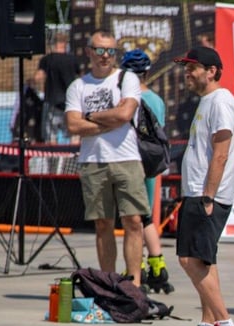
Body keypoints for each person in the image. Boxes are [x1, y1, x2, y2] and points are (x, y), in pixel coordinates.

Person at [170, 46, 234, 326]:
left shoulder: (221, 102)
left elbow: (221, 154)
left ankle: (225, 324)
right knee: (203, 260)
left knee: (189, 259)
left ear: (212, 71)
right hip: (198, 193)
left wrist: (208, 197)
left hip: (206, 195)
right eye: (185, 67)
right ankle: (207, 324)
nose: (187, 72)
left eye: (193, 67)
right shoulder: (208, 101)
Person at [65, 30, 150, 286]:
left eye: (111, 51)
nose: (105, 56)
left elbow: (125, 114)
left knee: (134, 221)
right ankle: (110, 283)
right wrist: (106, 122)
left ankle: (134, 285)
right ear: (89, 51)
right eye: (100, 50)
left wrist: (89, 116)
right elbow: (72, 125)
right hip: (93, 161)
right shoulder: (78, 86)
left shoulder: (127, 78)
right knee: (103, 224)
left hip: (127, 159)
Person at [119, 48, 174, 294]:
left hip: (131, 161)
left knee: (133, 218)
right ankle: (157, 264)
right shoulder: (157, 100)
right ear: (147, 72)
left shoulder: (125, 98)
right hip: (152, 162)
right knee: (147, 215)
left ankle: (137, 267)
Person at [35, 32, 81, 144]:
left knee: (51, 137)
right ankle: (73, 160)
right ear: (65, 44)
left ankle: (53, 160)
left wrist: (38, 89)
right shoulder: (73, 60)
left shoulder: (47, 59)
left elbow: (38, 77)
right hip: (70, 103)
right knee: (74, 135)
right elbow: (81, 78)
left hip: (52, 102)